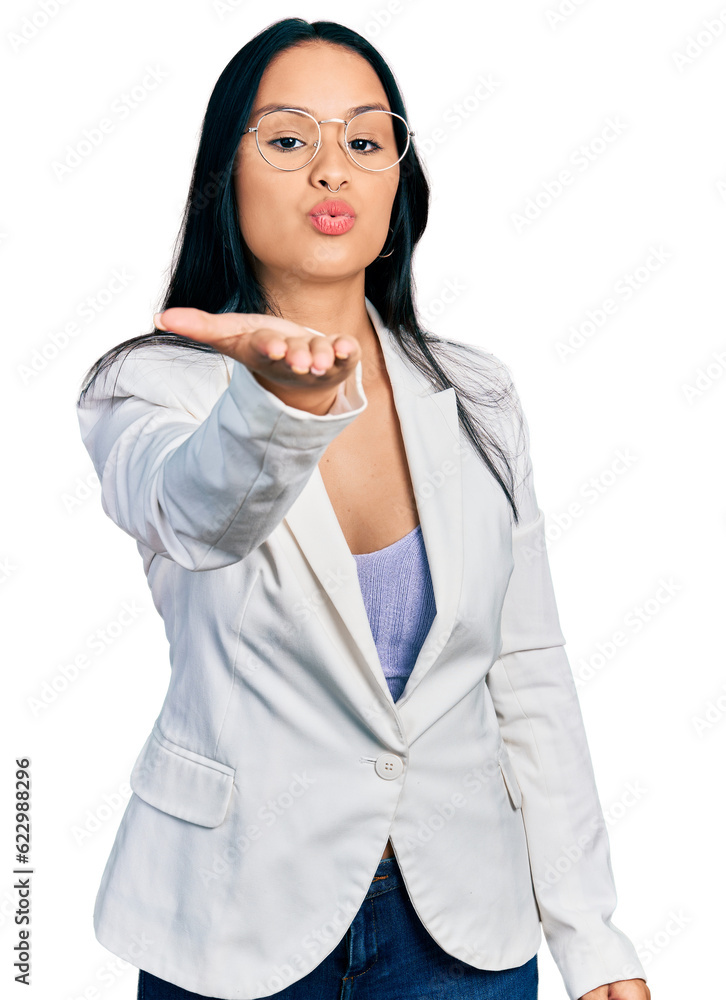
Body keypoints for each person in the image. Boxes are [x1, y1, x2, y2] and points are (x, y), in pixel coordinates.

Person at [75, 17, 651, 1000]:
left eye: (365, 139)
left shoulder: (477, 396)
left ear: (398, 183)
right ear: (225, 177)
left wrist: (591, 940)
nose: (331, 168)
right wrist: (276, 408)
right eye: (288, 138)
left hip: (460, 930)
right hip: (233, 921)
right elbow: (200, 516)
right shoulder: (147, 388)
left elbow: (528, 673)